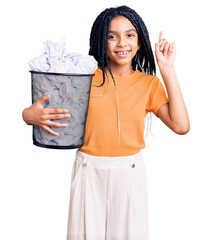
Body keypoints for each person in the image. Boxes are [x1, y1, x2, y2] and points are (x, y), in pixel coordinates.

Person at [22, 5, 190, 240]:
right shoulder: (85, 78)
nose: (122, 43)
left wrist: (167, 69)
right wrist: (27, 115)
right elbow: (44, 106)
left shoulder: (149, 84)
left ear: (140, 42)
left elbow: (181, 126)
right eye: (112, 36)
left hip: (130, 173)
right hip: (88, 170)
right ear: (102, 41)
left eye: (130, 35)